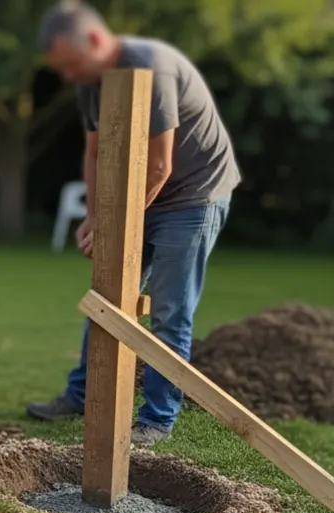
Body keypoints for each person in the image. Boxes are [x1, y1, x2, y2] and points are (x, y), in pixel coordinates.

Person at [25, 0, 241, 446]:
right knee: (108, 294)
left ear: (96, 40)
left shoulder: (151, 67)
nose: (67, 76)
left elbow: (159, 166)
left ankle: (157, 419)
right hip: (141, 191)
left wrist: (113, 224)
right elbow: (94, 152)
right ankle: (82, 395)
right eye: (62, 68)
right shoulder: (90, 81)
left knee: (169, 310)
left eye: (71, 64)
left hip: (193, 196)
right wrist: (94, 214)